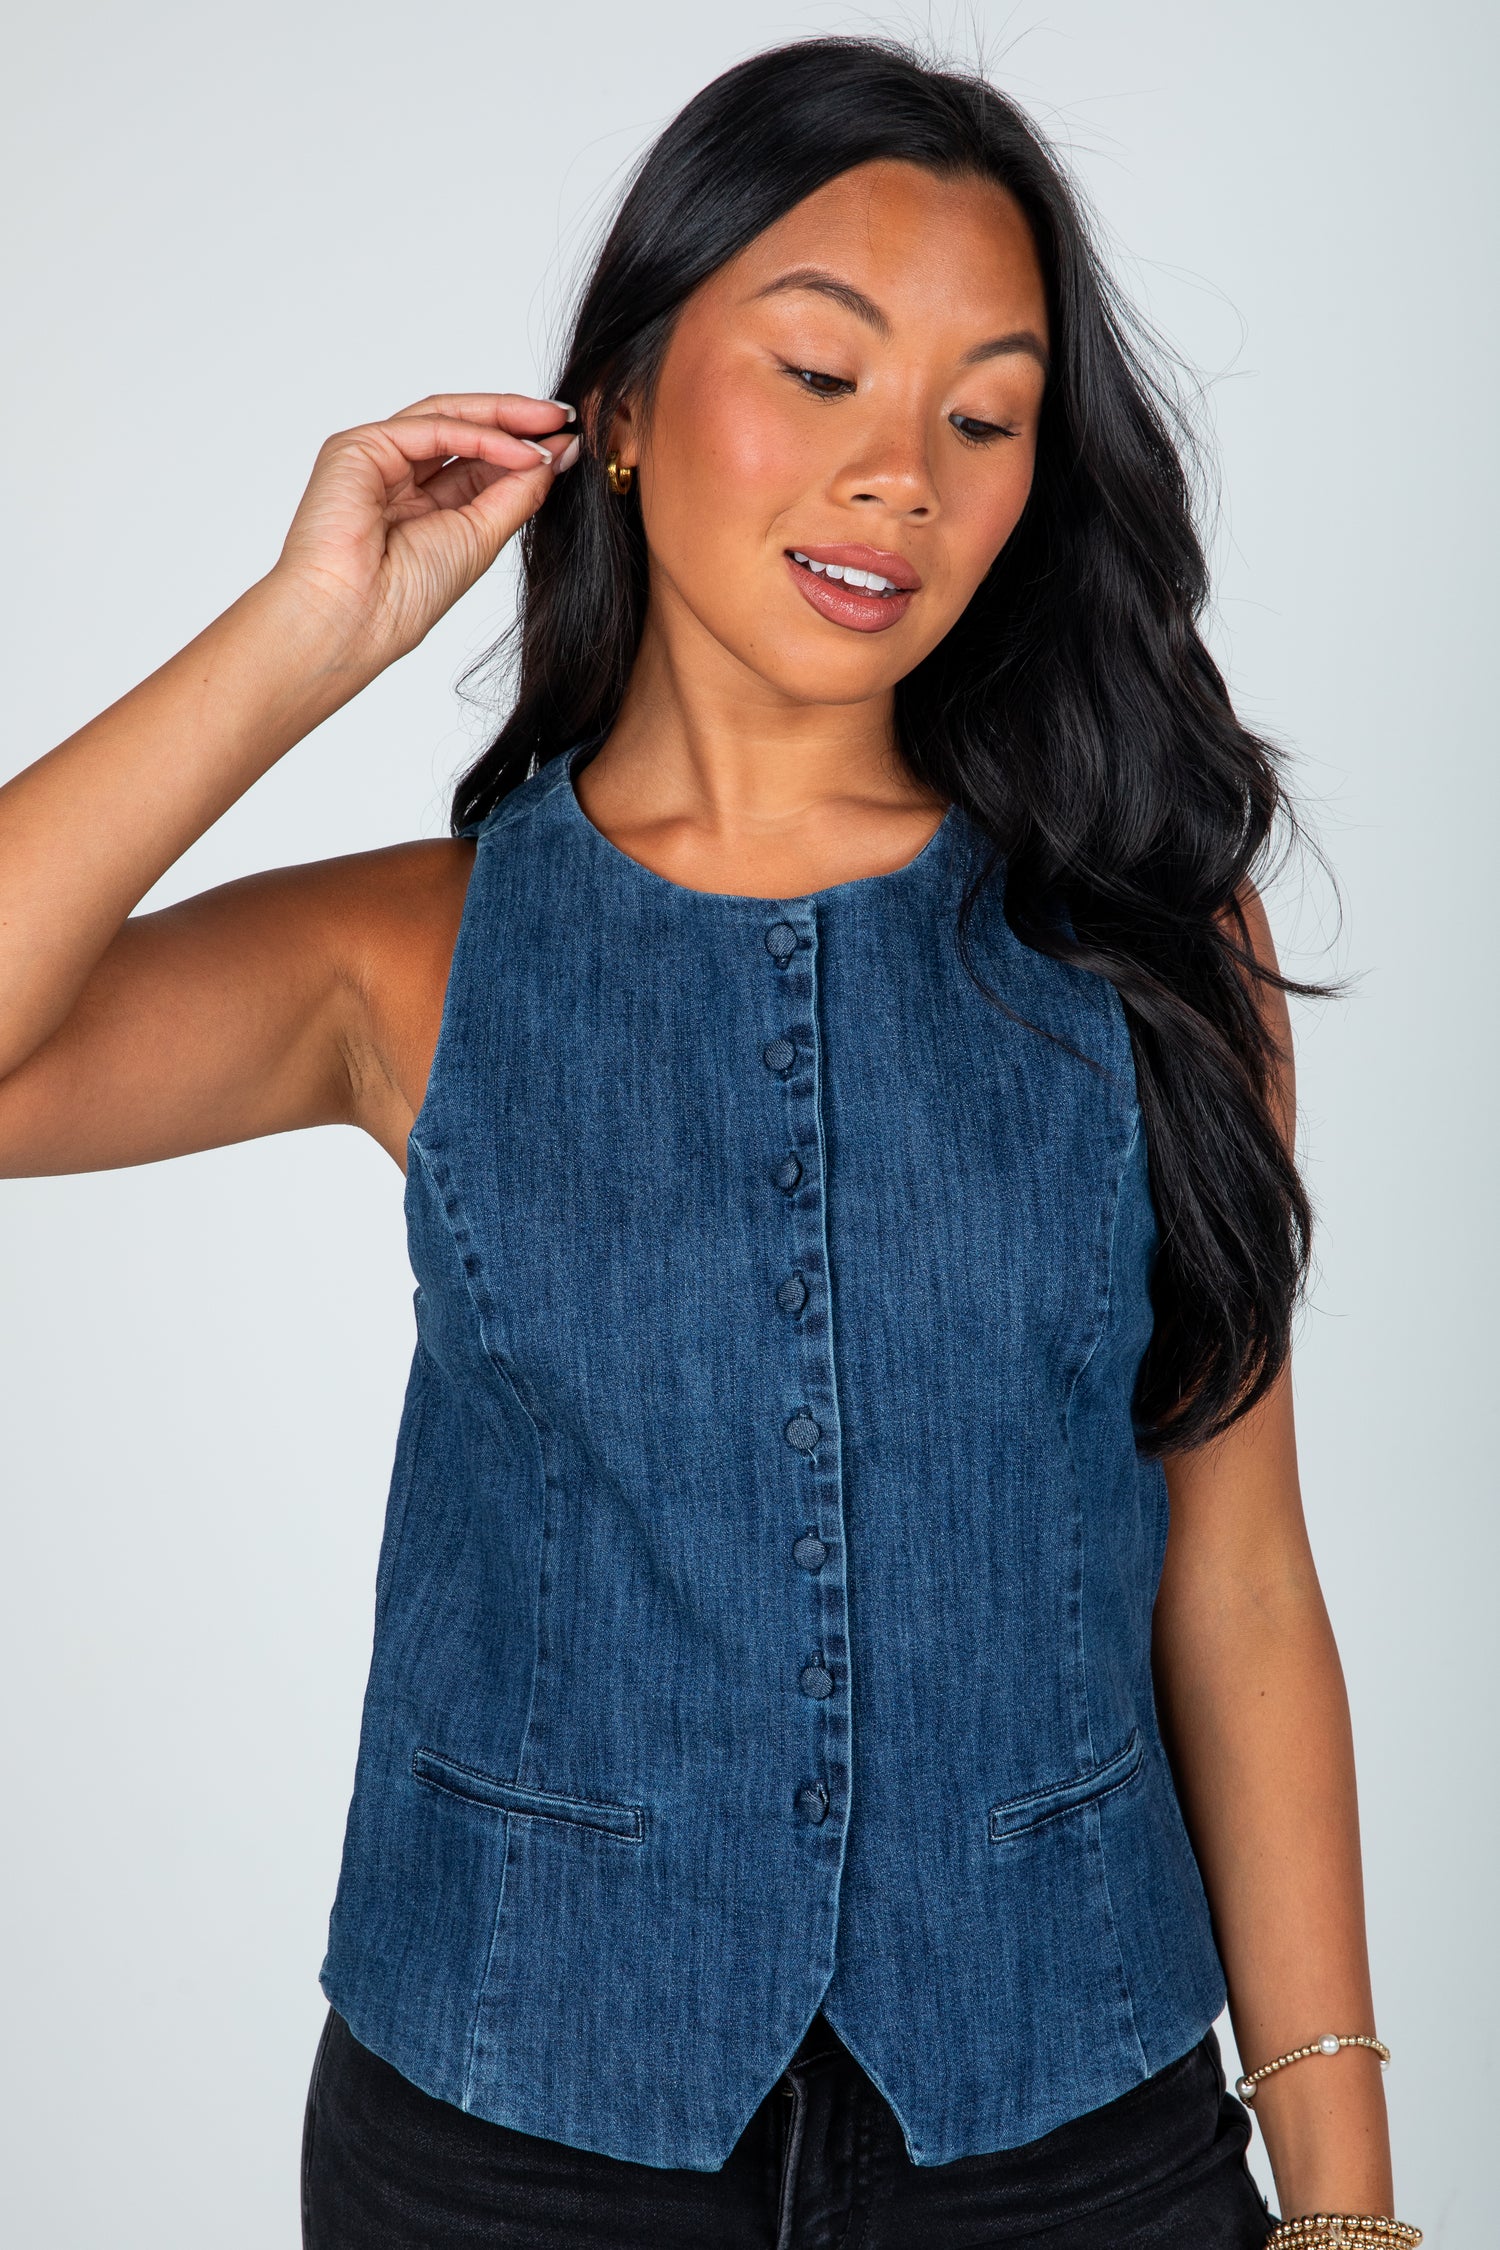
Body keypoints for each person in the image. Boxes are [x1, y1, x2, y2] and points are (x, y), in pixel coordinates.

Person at [0, 37, 1421, 2250]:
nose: (900, 482)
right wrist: (311, 636)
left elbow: (1238, 1582)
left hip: (1074, 2143)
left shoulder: (1154, 941)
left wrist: (1341, 2197)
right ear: (628, 406)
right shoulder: (415, 957)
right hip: (509, 2139)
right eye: (822, 375)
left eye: (983, 417)